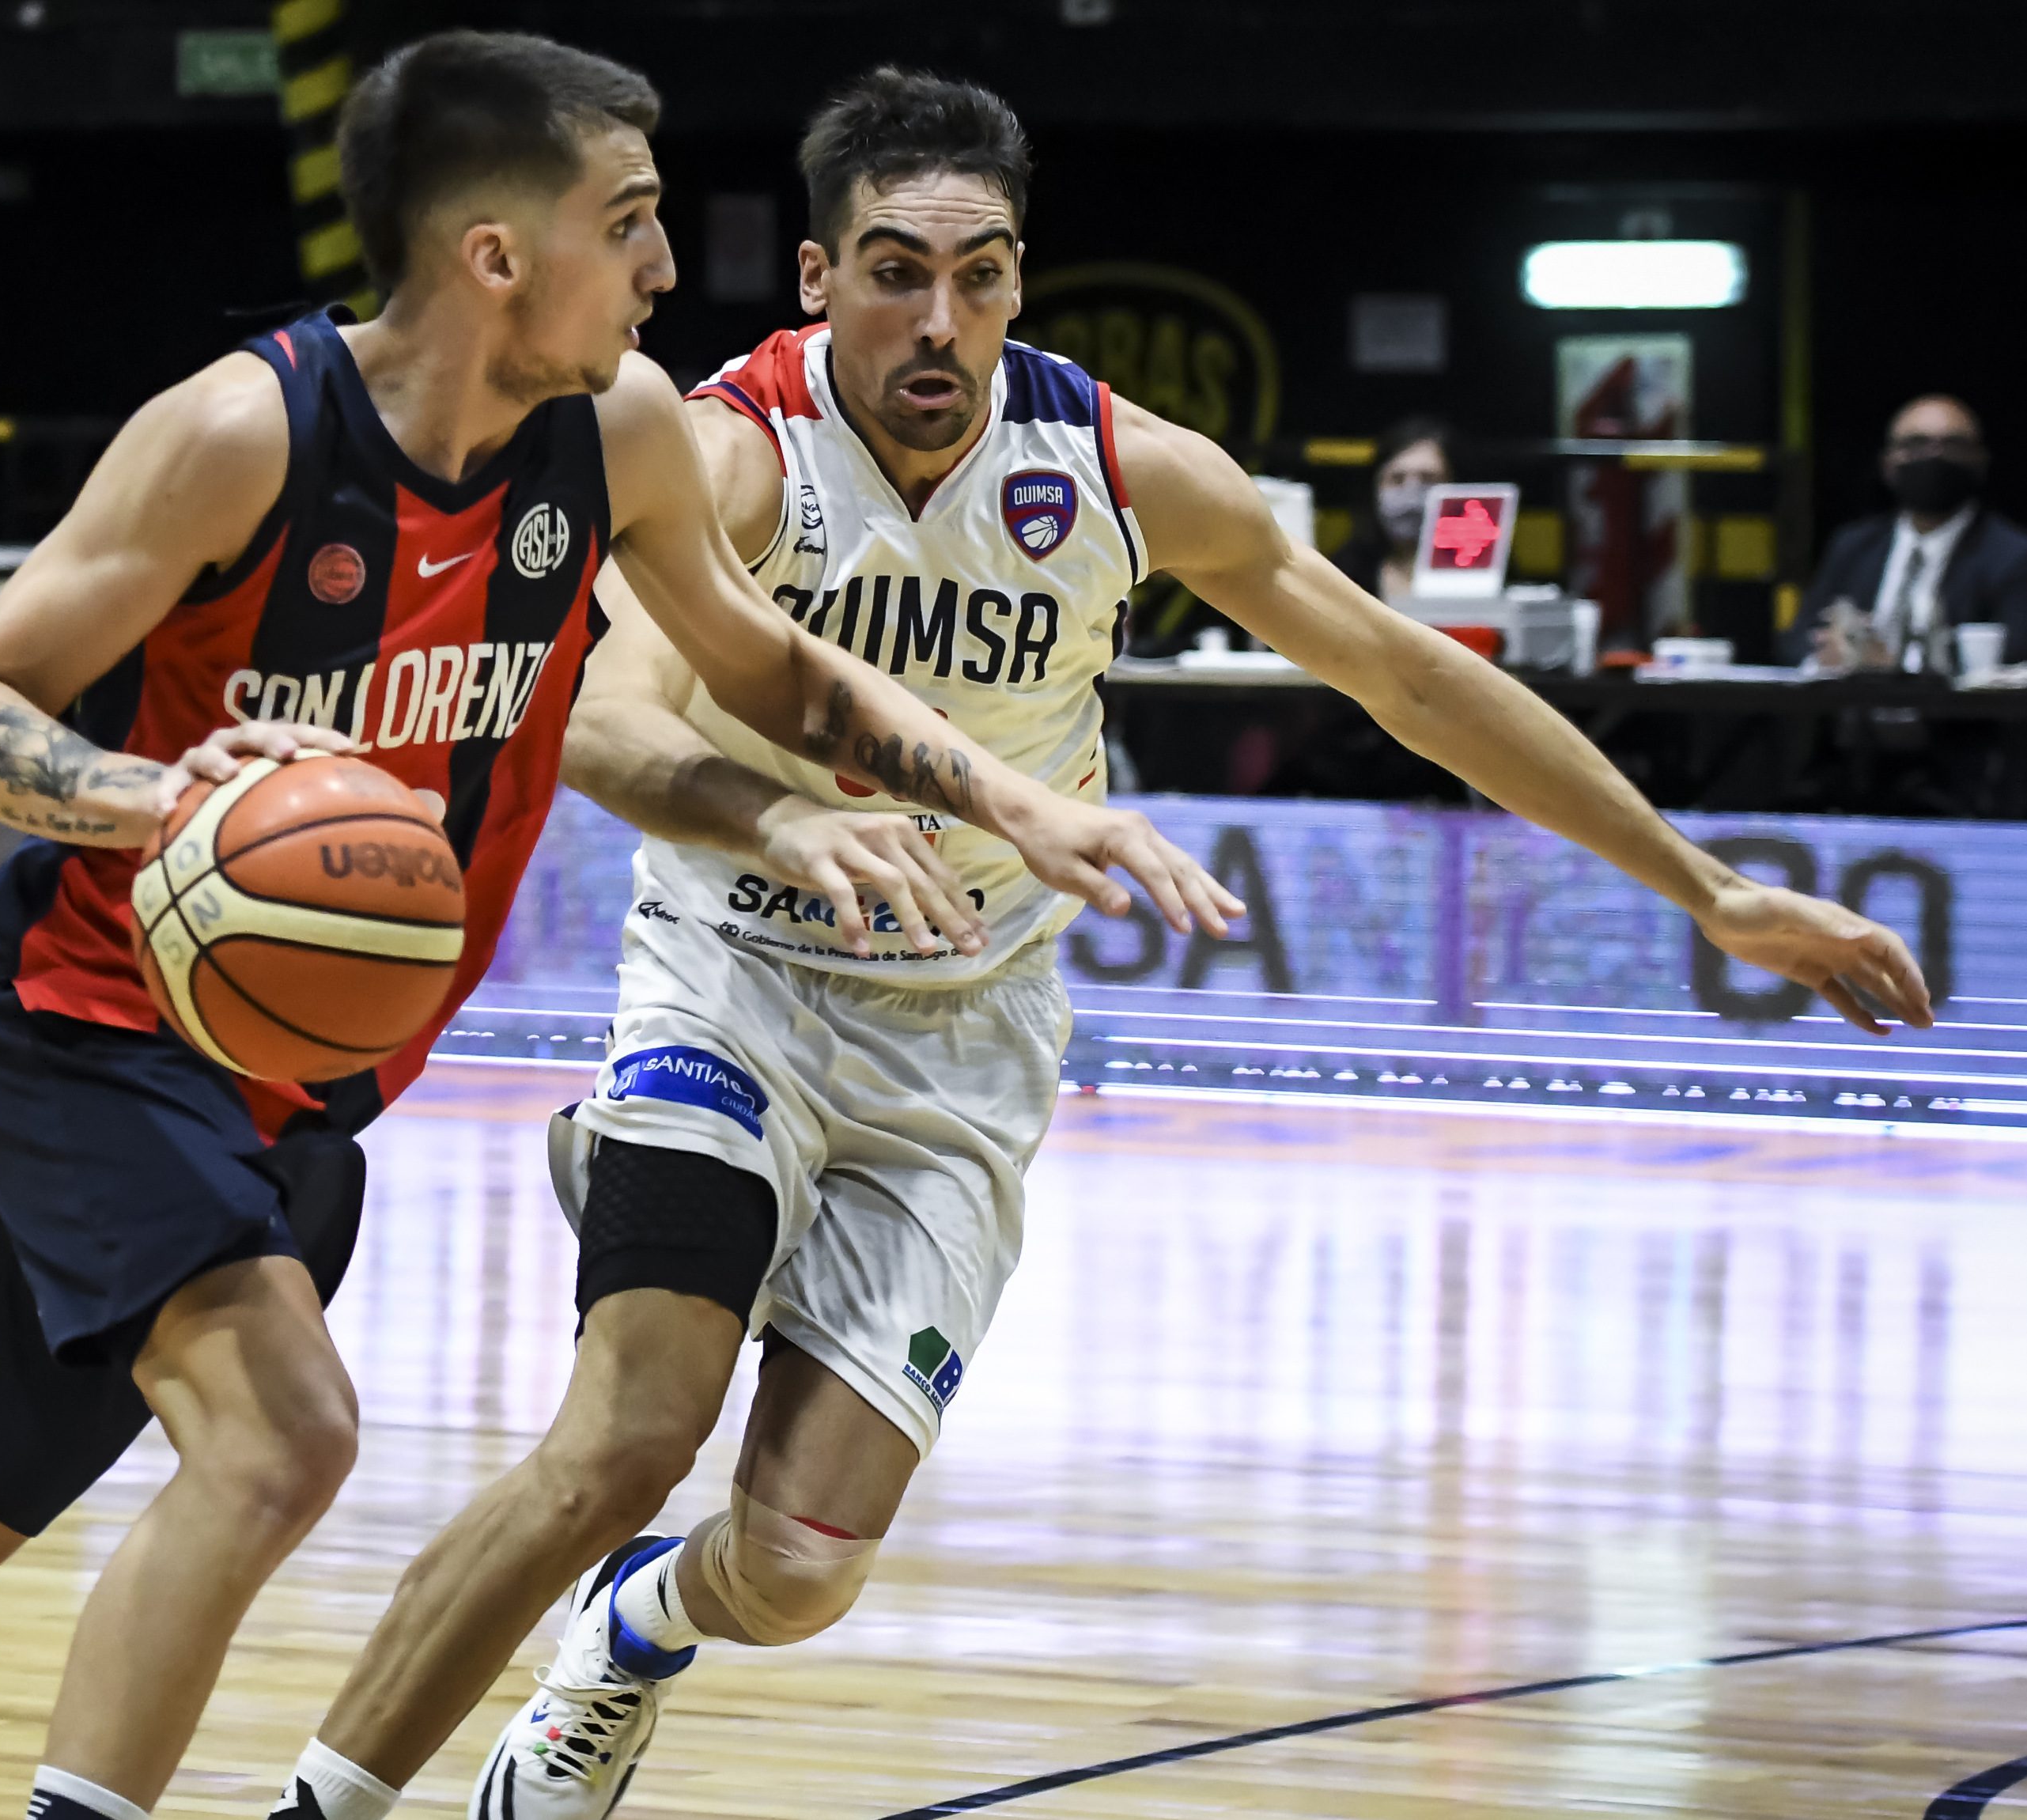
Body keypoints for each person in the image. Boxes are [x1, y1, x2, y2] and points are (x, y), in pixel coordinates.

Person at [0, 33, 1247, 1820]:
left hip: (290, 1084)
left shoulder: (611, 435)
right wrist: (147, 792)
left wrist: (1001, 796)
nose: (658, 268)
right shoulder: (239, 434)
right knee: (284, 1437)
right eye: (624, 223)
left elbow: (775, 670)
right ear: (493, 252)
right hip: (93, 1026)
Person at [263, 70, 1938, 1820]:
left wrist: (1709, 889)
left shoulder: (1118, 468)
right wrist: (780, 817)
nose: (943, 317)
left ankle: (630, 1635)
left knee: (802, 1564)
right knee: (621, 1438)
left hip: (965, 1037)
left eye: (981, 274)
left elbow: (1409, 675)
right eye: (898, 270)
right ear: (819, 280)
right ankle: (332, 1796)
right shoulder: (731, 449)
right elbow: (595, 721)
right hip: (736, 978)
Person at [1795, 395, 2027, 676]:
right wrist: (1827, 652)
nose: (1934, 456)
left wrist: (1890, 671)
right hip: (1852, 714)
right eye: (1916, 444)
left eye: (1952, 445)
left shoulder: (2012, 555)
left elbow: (2013, 654)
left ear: (1979, 461)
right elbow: (1797, 639)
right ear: (1888, 463)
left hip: (1952, 718)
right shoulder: (1853, 546)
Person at [1327, 414, 1455, 602]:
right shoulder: (1345, 573)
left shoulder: (1487, 576)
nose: (1411, 495)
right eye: (1397, 479)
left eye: (1428, 478)